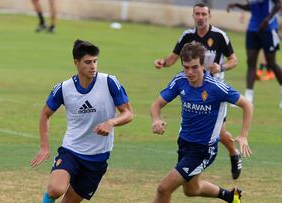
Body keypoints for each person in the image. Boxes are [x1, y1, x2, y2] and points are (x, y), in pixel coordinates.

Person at [30, 39, 133, 203]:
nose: (93, 66)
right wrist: (44, 146)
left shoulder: (109, 82)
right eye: (88, 62)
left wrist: (111, 122)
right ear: (76, 63)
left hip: (98, 157)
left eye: (95, 61)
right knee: (55, 189)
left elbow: (128, 113)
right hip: (71, 150)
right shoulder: (64, 88)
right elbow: (45, 115)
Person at [150, 42, 253, 203]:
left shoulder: (216, 87)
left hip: (204, 149)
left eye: (194, 67)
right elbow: (156, 104)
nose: (189, 72)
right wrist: (156, 119)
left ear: (203, 65)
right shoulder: (180, 80)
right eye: (186, 67)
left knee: (164, 188)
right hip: (184, 144)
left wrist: (243, 135)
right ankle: (231, 196)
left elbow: (247, 105)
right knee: (192, 190)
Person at [154, 3, 242, 180]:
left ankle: (234, 154)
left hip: (215, 92)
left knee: (220, 133)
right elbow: (173, 58)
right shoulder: (187, 36)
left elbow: (234, 60)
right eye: (197, 14)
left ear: (209, 16)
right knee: (216, 133)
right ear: (193, 15)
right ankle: (196, 173)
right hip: (193, 89)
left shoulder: (219, 36)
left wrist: (222, 67)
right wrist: (163, 62)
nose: (200, 17)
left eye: (204, 14)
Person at [227, 0, 282, 108]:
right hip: (253, 29)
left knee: (271, 63)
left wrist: (267, 20)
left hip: (269, 29)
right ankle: (248, 98)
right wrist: (237, 5)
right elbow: (252, 7)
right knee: (251, 62)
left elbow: (279, 4)